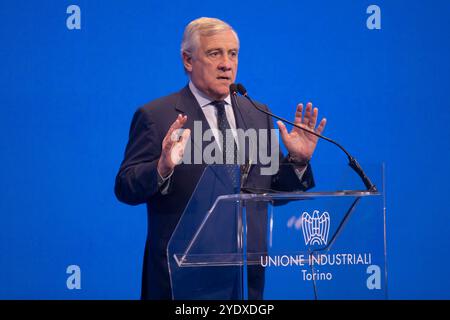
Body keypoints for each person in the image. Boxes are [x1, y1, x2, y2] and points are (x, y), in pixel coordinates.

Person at [114, 17, 326, 300]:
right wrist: (162, 167)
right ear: (188, 60)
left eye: (233, 54)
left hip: (245, 281)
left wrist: (297, 162)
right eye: (215, 53)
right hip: (181, 282)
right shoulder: (157, 116)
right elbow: (125, 187)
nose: (227, 64)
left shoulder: (257, 113)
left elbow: (273, 190)